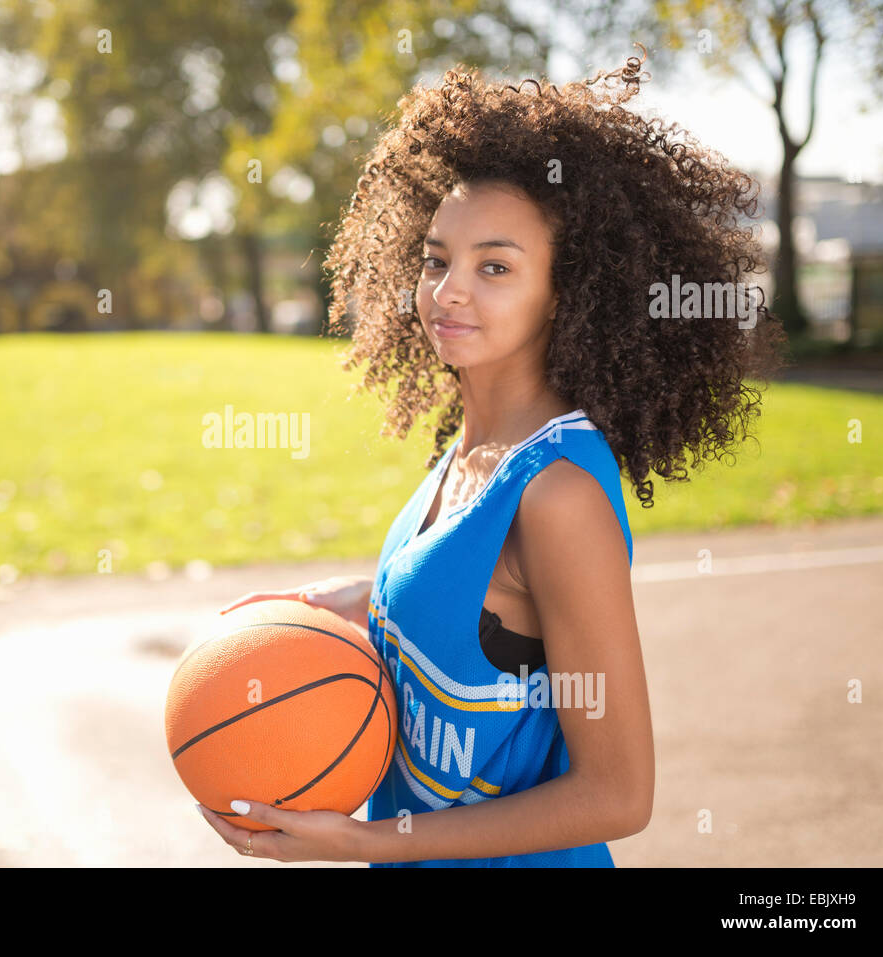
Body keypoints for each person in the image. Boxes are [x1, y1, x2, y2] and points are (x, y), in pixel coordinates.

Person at [200, 46, 786, 865]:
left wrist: (367, 839)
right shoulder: (465, 453)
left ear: (567, 291)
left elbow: (619, 793)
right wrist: (368, 602)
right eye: (437, 259)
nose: (449, 292)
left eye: (496, 267)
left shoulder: (557, 495)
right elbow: (493, 611)